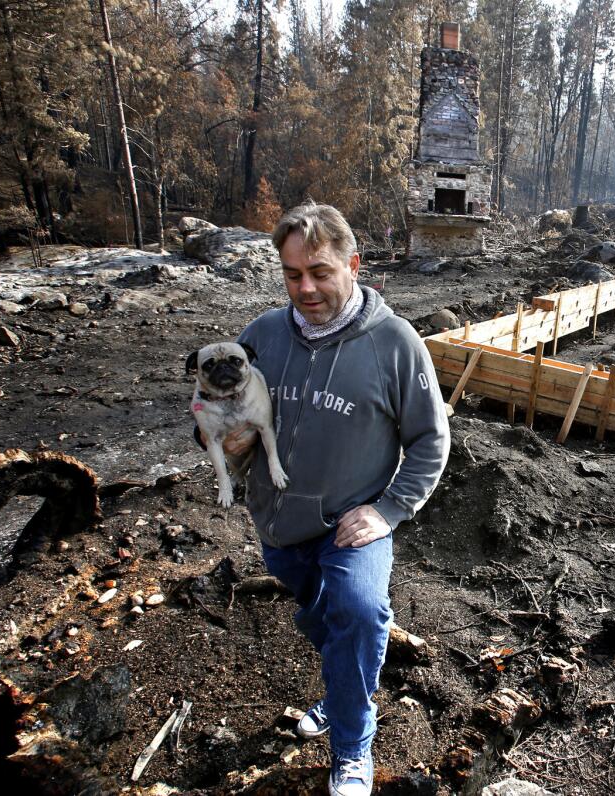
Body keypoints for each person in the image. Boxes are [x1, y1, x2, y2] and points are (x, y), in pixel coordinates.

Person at [222, 202, 449, 796]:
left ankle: (352, 747)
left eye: (320, 272)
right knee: (328, 620)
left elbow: (431, 438)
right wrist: (225, 441)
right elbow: (221, 420)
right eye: (293, 274)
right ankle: (345, 683)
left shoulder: (395, 344)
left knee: (359, 609)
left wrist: (388, 510)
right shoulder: (263, 336)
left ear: (353, 264)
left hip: (353, 521)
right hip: (278, 524)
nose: (307, 288)